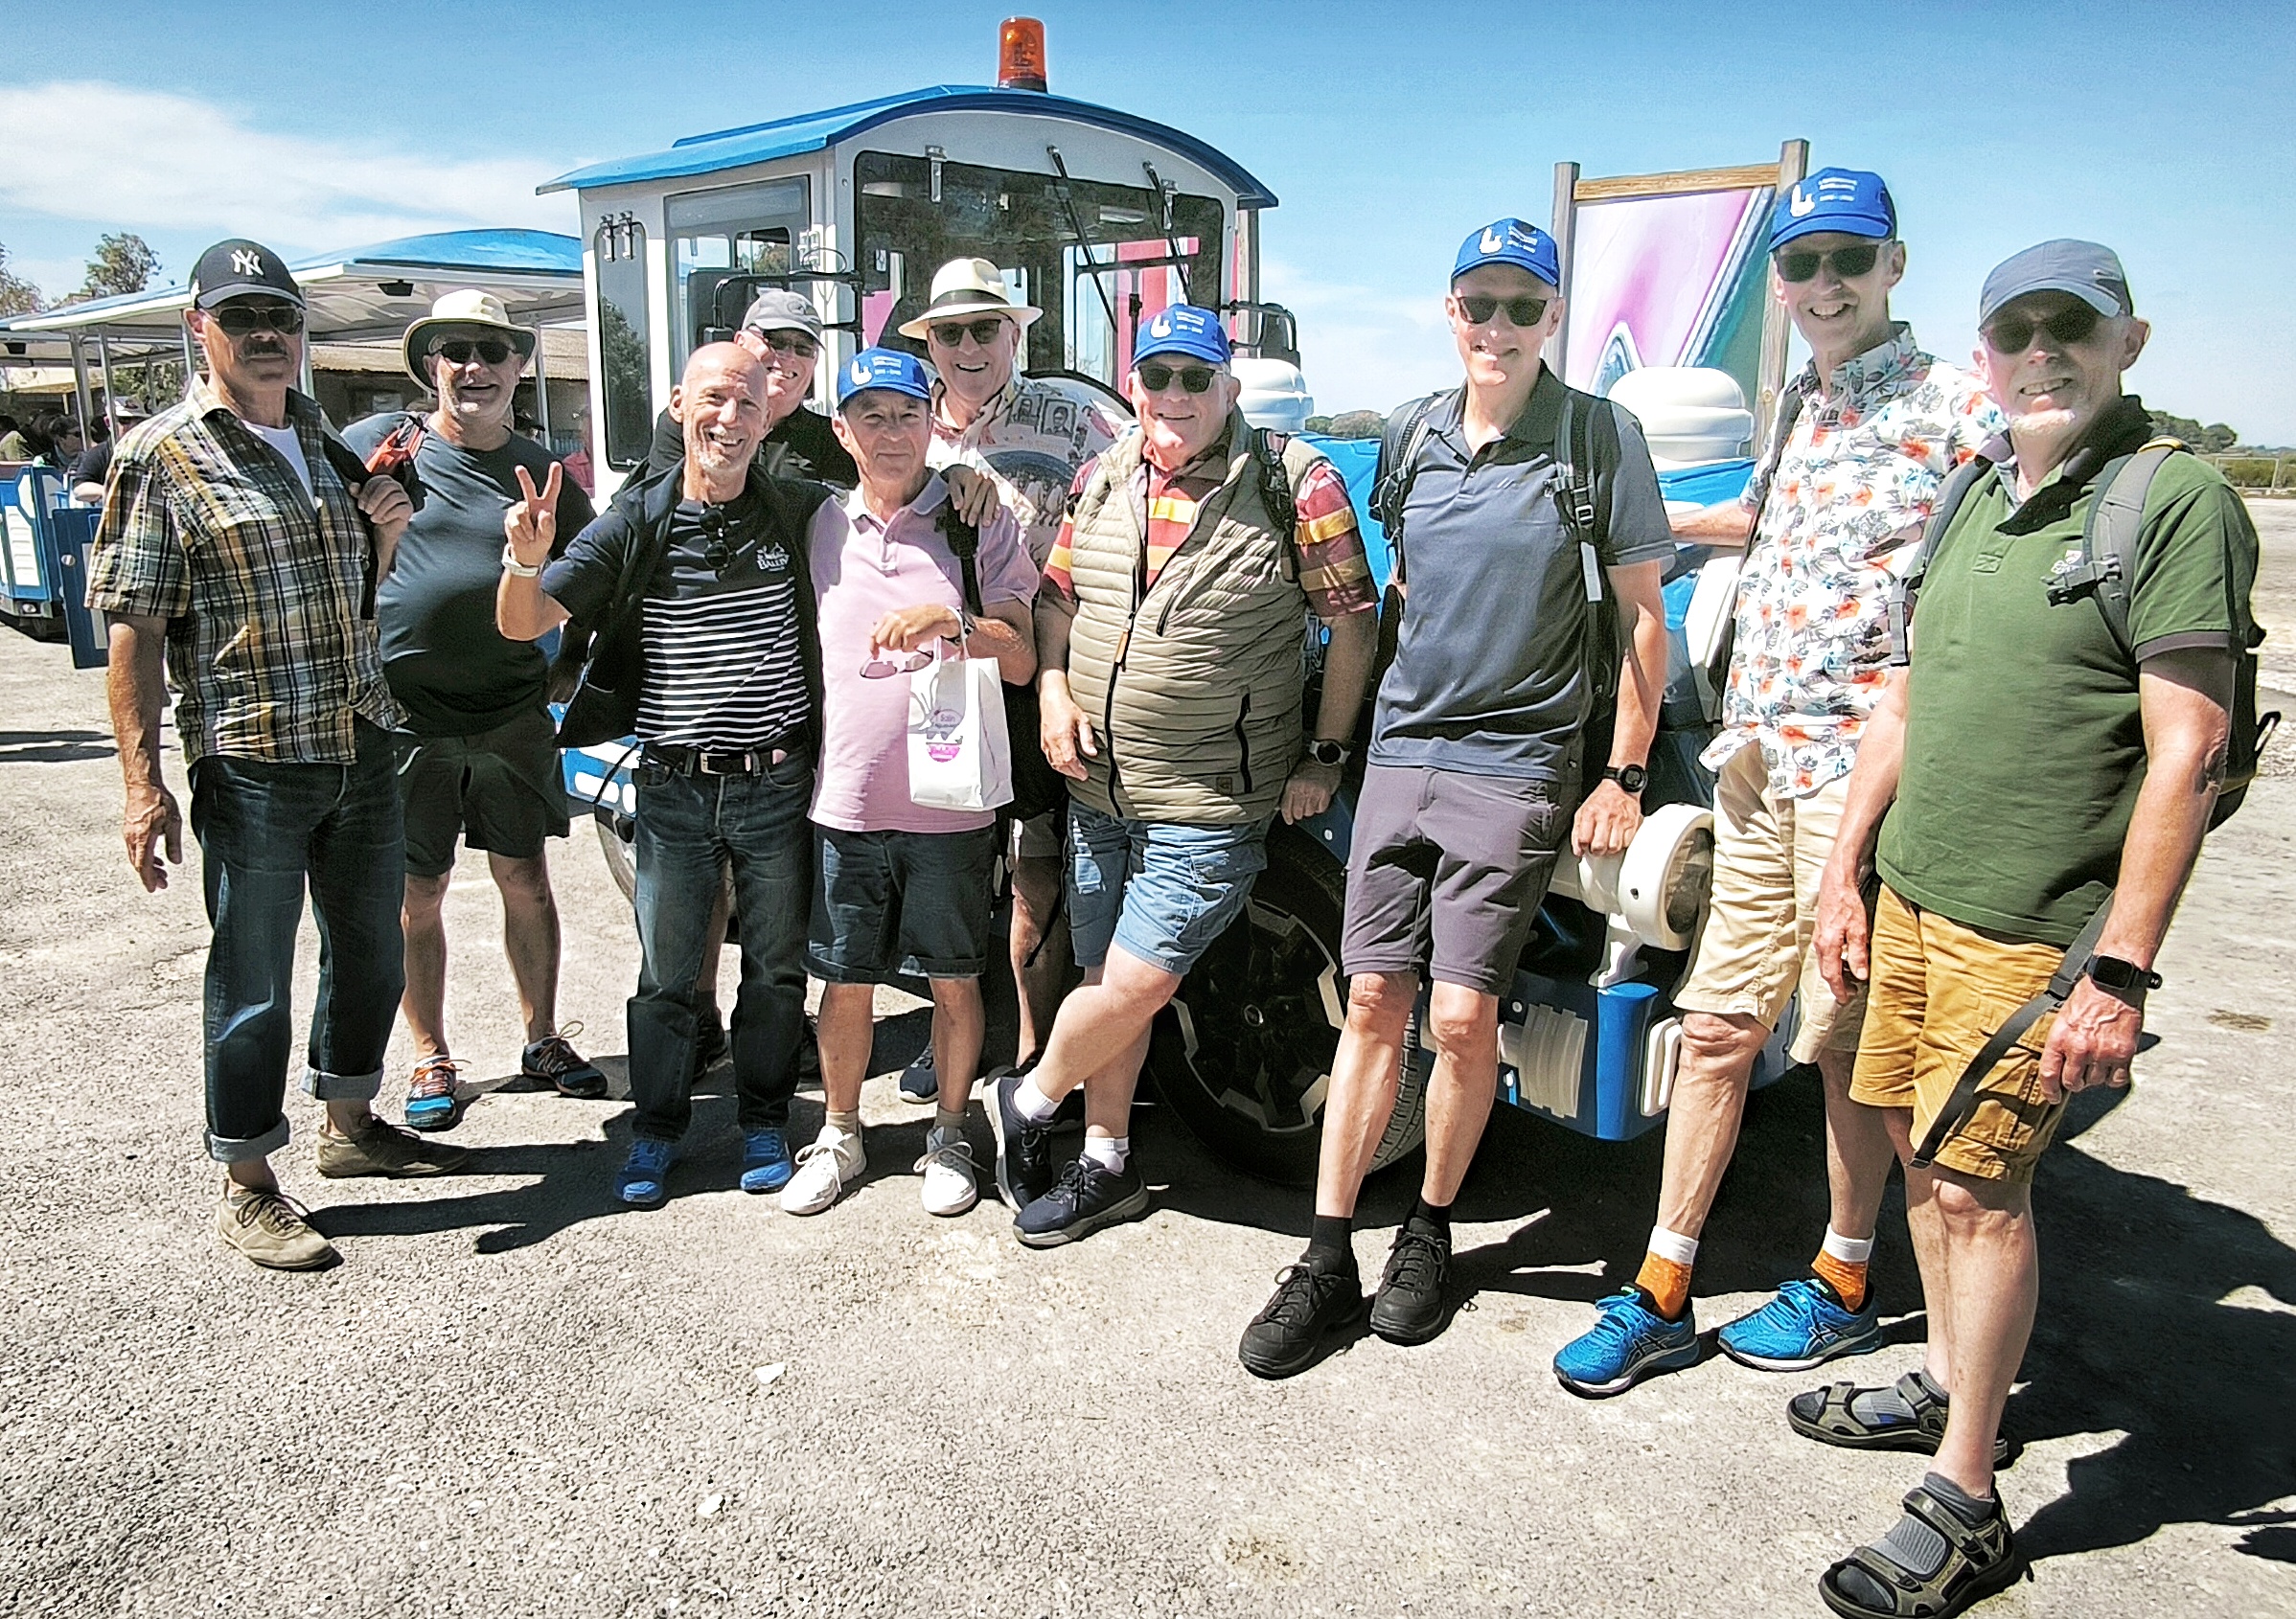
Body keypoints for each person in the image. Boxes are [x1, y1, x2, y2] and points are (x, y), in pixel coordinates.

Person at [1801, 240, 2259, 1616]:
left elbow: (2189, 751)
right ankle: (1957, 1382)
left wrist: (2117, 969)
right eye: (2016, 331)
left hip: (2034, 933)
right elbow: (1901, 700)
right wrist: (1845, 870)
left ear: (2130, 341)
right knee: (1908, 1138)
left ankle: (1967, 1498)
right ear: (1984, 353)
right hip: (1912, 897)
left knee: (1976, 1190)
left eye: (2072, 325)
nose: (2041, 352)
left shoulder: (2170, 500)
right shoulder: (1971, 491)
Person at [1550, 171, 2004, 1398]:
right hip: (1755, 765)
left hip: (1865, 779)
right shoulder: (1801, 398)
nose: (1822, 283)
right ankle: (1660, 1285)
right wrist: (1616, 526)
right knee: (1713, 1029)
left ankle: (1843, 1280)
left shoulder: (1960, 407)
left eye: (1846, 258)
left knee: (1847, 1050)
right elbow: (1760, 518)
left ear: (1892, 264)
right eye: (1800, 263)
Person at [1237, 220, 1674, 1378]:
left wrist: (1623, 774)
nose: (1497, 326)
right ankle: (1324, 1254)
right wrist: (1339, 744)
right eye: (1478, 303)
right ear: (1449, 311)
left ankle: (1427, 1232)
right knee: (1372, 998)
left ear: (1551, 318)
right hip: (1400, 753)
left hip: (1515, 762)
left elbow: (1643, 618)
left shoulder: (1597, 437)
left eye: (1522, 307)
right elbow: (1398, 594)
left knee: (1465, 1016)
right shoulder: (1411, 432)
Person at [87, 237, 466, 1272]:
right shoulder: (161, 457)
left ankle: (351, 1126)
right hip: (252, 752)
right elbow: (133, 628)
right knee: (252, 974)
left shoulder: (323, 437)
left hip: (359, 735)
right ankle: (248, 1181)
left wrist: (385, 532)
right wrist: (141, 784)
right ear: (197, 328)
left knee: (372, 951)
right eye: (242, 317)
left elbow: (356, 592)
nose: (265, 335)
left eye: (281, 318)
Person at [991, 305, 1379, 1246]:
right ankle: (1107, 1162)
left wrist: (1324, 753)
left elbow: (1353, 621)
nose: (1174, 395)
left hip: (1207, 798)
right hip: (1096, 783)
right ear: (1133, 388)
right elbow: (1057, 602)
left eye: (1195, 377)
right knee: (1104, 976)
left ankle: (1027, 1099)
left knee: (1138, 984)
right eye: (1157, 376)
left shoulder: (1295, 483)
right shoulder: (1102, 475)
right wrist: (1052, 694)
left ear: (1228, 389)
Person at [499, 343, 833, 1209]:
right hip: (674, 788)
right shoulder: (635, 520)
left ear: (771, 415)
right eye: (715, 398)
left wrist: (965, 485)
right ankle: (656, 1128)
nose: (731, 418)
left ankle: (764, 1120)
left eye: (750, 404)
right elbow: (523, 622)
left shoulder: (797, 509)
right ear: (680, 403)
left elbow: (892, 510)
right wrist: (526, 558)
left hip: (777, 784)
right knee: (667, 978)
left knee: (776, 972)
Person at [779, 348, 1038, 1218]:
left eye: (907, 414)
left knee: (955, 980)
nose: (892, 433)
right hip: (846, 798)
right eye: (872, 417)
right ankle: (840, 1136)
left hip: (950, 803)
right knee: (843, 980)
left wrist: (953, 622)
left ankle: (951, 1134)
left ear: (933, 421)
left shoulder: (974, 520)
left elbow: (1021, 655)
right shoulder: (816, 524)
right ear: (842, 430)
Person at [346, 290, 606, 1131]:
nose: (475, 367)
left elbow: (594, 576)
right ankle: (429, 1055)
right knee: (418, 892)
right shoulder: (383, 451)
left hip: (511, 713)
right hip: (406, 717)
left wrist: (569, 667)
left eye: (493, 351)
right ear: (431, 365)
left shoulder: (544, 472)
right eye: (456, 350)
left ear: (518, 367)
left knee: (524, 878)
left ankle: (542, 1038)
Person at [899, 258, 1128, 1092]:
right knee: (947, 869)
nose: (968, 347)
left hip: (1040, 673)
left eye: (984, 328)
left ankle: (1035, 1048)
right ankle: (950, 1037)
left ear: (1014, 334)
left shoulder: (1078, 417)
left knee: (1038, 866)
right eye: (950, 332)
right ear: (930, 343)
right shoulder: (908, 422)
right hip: (941, 680)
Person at [638, 290, 855, 1077]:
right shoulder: (685, 431)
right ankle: (696, 1019)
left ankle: (774, 1033)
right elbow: (642, 524)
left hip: (796, 697)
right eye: (774, 344)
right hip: (694, 713)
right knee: (699, 895)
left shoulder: (828, 439)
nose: (787, 361)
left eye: (803, 349)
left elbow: (887, 491)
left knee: (779, 903)